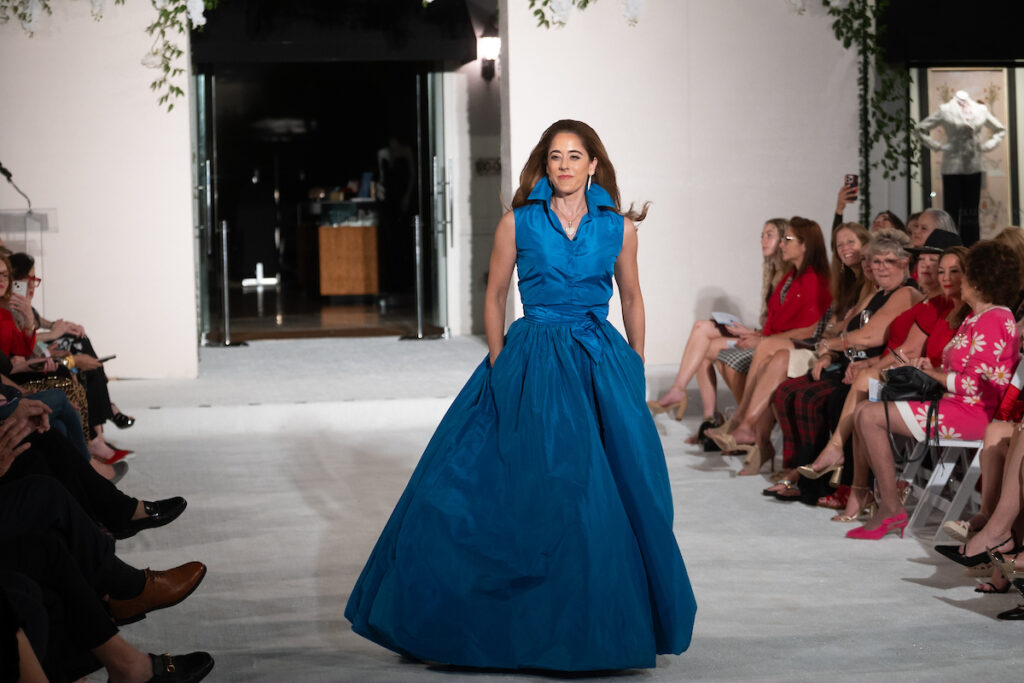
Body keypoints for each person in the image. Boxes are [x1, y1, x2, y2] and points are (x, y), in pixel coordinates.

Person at [345, 120, 696, 671]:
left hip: (598, 360)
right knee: (510, 486)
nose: (564, 165)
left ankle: (594, 624)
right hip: (531, 356)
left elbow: (632, 296)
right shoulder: (518, 222)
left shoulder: (620, 229)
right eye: (555, 156)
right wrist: (500, 359)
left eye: (574, 156)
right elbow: (493, 295)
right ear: (545, 163)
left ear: (592, 166)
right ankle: (499, 621)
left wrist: (634, 361)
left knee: (604, 491)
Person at [847, 240, 1020, 540]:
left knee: (868, 415)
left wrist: (932, 375)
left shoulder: (996, 318)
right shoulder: (975, 317)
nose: (957, 280)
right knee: (864, 410)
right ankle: (889, 504)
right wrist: (929, 367)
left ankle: (891, 508)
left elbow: (975, 384)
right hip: (955, 406)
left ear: (980, 279)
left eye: (963, 273)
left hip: (971, 414)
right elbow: (961, 370)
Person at [648, 219, 786, 422]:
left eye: (770, 235)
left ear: (784, 240)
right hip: (763, 335)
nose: (763, 240)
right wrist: (749, 331)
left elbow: (783, 329)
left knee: (704, 345)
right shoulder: (772, 273)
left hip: (773, 342)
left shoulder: (789, 277)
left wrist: (752, 334)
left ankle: (701, 407)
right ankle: (707, 417)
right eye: (762, 235)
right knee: (701, 328)